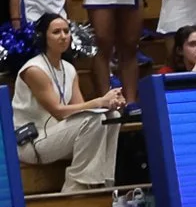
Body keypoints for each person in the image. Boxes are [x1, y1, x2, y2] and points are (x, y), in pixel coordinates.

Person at [16, 14, 123, 190]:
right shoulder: (34, 70)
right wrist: (99, 101)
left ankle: (105, 182)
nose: (63, 36)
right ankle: (76, 186)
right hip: (32, 142)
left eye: (66, 31)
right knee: (94, 120)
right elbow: (59, 111)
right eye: (56, 32)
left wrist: (108, 104)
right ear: (44, 37)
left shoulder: (69, 68)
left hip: (58, 136)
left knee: (111, 116)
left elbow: (81, 111)